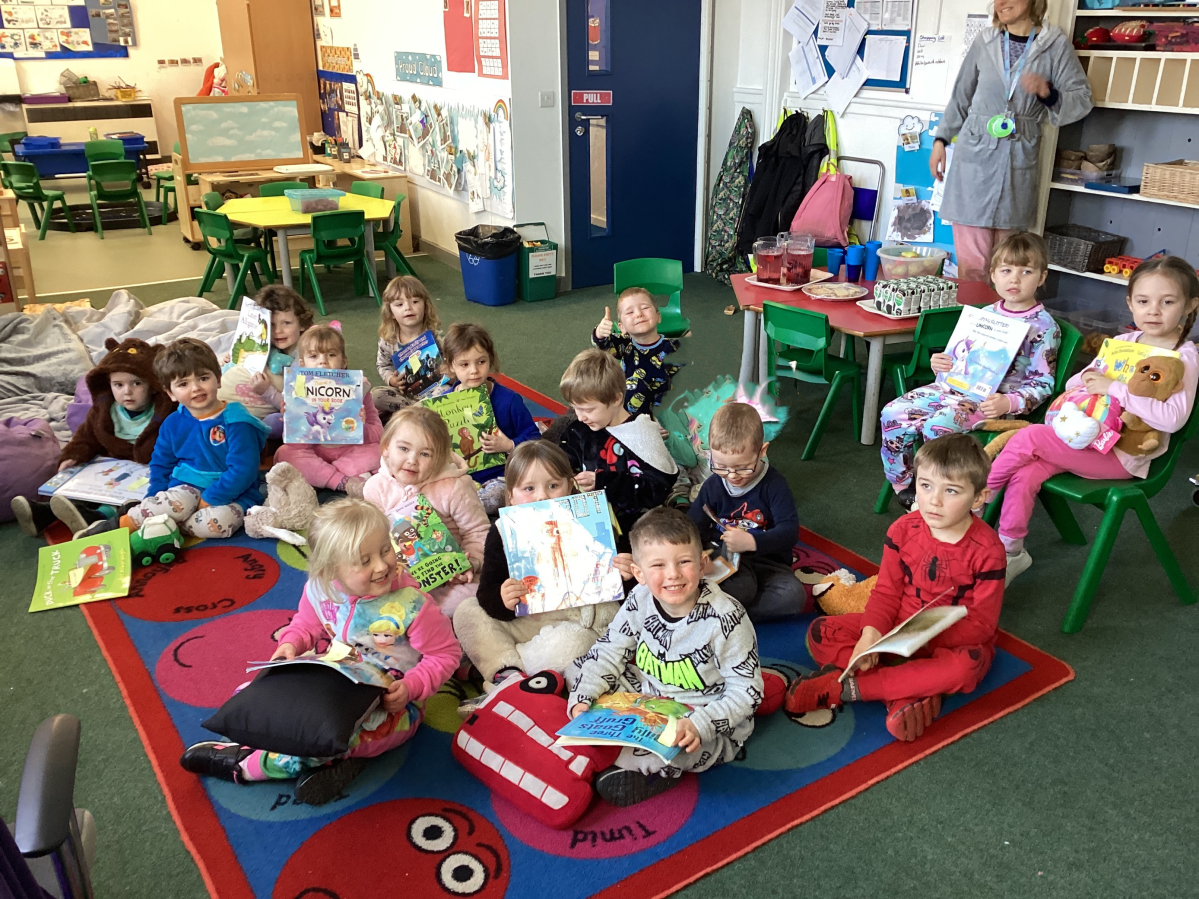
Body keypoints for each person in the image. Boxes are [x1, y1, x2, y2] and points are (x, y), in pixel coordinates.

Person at [179, 498, 460, 805]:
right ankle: (333, 760)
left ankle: (245, 765)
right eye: (364, 561)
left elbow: (446, 655)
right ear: (330, 570)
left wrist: (410, 689)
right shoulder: (321, 588)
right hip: (334, 675)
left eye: (385, 550)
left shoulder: (412, 605)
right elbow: (306, 624)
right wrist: (290, 644)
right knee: (258, 694)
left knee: (325, 741)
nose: (382, 566)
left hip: (394, 704)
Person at [988, 256, 1199, 583]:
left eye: (1167, 302)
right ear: (1130, 303)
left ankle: (978, 497)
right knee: (1027, 473)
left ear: (1190, 305)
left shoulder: (1184, 357)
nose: (1153, 310)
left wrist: (1116, 389)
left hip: (1122, 456)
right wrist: (1093, 380)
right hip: (1085, 437)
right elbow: (1077, 382)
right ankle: (1012, 550)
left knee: (1029, 438)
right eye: (1143, 301)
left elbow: (1172, 420)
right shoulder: (1126, 344)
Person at [784, 434, 1006, 742]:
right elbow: (886, 592)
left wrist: (920, 639)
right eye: (925, 486)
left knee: (965, 668)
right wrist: (871, 636)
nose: (934, 500)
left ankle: (853, 689)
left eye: (951, 490)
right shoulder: (902, 530)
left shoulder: (988, 550)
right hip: (895, 630)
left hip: (949, 640)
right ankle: (906, 693)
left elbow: (982, 625)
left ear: (979, 497)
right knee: (821, 632)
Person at [566, 508, 762, 808]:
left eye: (684, 562)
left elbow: (748, 692)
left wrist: (700, 725)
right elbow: (608, 651)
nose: (673, 574)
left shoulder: (726, 617)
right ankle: (622, 755)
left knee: (678, 748)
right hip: (649, 697)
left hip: (702, 717)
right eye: (658, 565)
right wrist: (583, 699)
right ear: (639, 574)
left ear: (702, 564)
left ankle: (647, 769)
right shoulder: (639, 599)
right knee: (576, 670)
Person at [881, 232, 1060, 510]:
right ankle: (905, 485)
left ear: (1041, 277)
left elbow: (1043, 383)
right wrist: (940, 363)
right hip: (951, 389)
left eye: (1026, 271)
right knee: (892, 413)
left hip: (992, 404)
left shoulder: (1043, 327)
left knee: (936, 426)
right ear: (993, 274)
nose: (1014, 279)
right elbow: (956, 357)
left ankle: (946, 494)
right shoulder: (984, 313)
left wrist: (1009, 401)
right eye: (1006, 270)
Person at [931, 0, 1092, 282]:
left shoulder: (1054, 44)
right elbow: (961, 96)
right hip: (974, 157)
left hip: (1019, 157)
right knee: (972, 267)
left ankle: (1004, 321)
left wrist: (1048, 93)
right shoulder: (986, 41)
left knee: (1009, 267)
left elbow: (1082, 99)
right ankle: (972, 321)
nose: (1000, 3)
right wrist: (941, 140)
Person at [453, 441, 628, 691]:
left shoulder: (592, 519)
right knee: (467, 611)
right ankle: (509, 674)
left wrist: (628, 574)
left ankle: (519, 676)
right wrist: (503, 599)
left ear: (570, 485)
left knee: (572, 646)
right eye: (529, 488)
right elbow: (487, 593)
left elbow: (624, 594)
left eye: (553, 485)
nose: (542, 496)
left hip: (579, 624)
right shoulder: (503, 532)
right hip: (528, 621)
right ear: (511, 496)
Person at [76, 338, 269, 540]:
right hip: (187, 487)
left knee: (217, 525)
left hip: (234, 493)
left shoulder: (237, 422)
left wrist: (211, 498)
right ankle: (117, 525)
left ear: (218, 379)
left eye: (203, 378)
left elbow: (243, 470)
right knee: (173, 505)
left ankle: (158, 523)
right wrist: (154, 495)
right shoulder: (172, 423)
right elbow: (161, 463)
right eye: (183, 384)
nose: (195, 388)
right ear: (170, 393)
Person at [11, 337, 176, 537]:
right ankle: (43, 514)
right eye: (118, 385)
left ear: (152, 384)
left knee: (137, 503)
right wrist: (73, 455)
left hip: (148, 477)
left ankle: (95, 518)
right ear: (109, 385)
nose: (127, 391)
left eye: (137, 383)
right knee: (81, 486)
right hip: (112, 472)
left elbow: (180, 444)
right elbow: (86, 437)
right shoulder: (104, 411)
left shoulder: (167, 412)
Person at [363, 405, 489, 617]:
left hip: (451, 578)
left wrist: (471, 563)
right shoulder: (375, 487)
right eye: (403, 449)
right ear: (386, 448)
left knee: (464, 603)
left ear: (440, 458)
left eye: (425, 454)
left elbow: (479, 532)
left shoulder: (454, 487)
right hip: (400, 574)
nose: (412, 460)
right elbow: (374, 539)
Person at [687, 402, 802, 621]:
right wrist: (698, 556)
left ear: (762, 451)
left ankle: (723, 614)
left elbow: (789, 532)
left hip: (768, 561)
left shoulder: (774, 485)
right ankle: (728, 608)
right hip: (725, 559)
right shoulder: (713, 485)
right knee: (743, 589)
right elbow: (693, 525)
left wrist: (752, 543)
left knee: (793, 596)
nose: (732, 476)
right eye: (721, 466)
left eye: (742, 467)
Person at [557, 348, 678, 545]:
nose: (580, 417)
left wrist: (603, 482)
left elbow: (656, 489)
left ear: (615, 398)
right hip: (589, 522)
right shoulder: (581, 428)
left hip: (635, 530)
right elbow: (564, 456)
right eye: (575, 408)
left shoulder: (641, 434)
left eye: (588, 409)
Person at [275, 324, 384, 498]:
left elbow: (378, 434)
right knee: (285, 453)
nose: (322, 361)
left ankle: (321, 478)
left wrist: (361, 426)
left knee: (381, 452)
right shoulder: (295, 390)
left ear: (344, 361)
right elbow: (296, 446)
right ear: (302, 364)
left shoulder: (360, 388)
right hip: (315, 453)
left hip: (351, 453)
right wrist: (292, 420)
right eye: (313, 356)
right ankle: (341, 481)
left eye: (331, 355)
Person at [441, 322, 540, 511]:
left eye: (481, 361)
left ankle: (468, 511)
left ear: (490, 359)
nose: (474, 370)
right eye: (464, 364)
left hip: (501, 477)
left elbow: (535, 439)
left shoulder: (509, 400)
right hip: (460, 478)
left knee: (493, 498)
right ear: (451, 365)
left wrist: (509, 445)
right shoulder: (445, 403)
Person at [218, 285, 314, 439]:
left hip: (281, 408)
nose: (278, 331)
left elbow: (297, 406)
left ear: (302, 324)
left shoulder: (306, 356)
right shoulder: (264, 342)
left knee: (276, 423)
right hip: (235, 402)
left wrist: (266, 391)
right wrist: (231, 358)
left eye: (286, 323)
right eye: (271, 325)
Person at [592, 287, 682, 416]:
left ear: (658, 316)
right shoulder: (624, 343)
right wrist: (600, 332)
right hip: (629, 411)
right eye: (629, 312)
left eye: (645, 308)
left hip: (662, 410)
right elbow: (602, 344)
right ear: (622, 327)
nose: (639, 314)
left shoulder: (673, 347)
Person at [371, 275, 445, 415]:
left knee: (446, 390)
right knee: (376, 395)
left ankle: (410, 414)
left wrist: (446, 368)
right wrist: (392, 380)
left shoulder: (435, 335)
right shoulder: (388, 339)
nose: (408, 308)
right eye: (399, 304)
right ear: (391, 312)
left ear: (425, 306)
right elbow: (383, 365)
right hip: (406, 394)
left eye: (415, 301)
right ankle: (417, 412)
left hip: (435, 389)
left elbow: (452, 359)